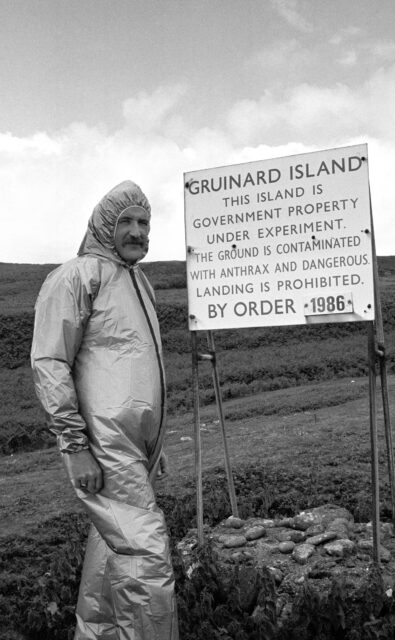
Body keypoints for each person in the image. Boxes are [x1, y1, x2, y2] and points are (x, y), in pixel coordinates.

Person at [31, 180, 179, 640]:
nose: (137, 232)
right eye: (126, 223)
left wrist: (155, 444)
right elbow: (50, 361)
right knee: (147, 561)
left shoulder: (138, 280)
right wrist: (74, 446)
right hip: (104, 444)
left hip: (136, 447)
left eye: (143, 223)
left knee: (112, 553)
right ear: (103, 227)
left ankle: (96, 633)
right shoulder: (76, 276)